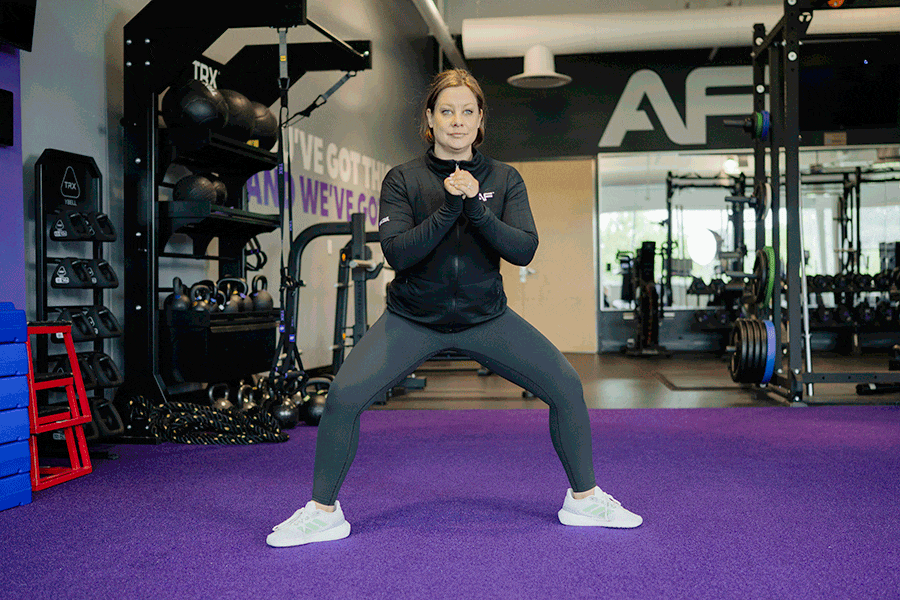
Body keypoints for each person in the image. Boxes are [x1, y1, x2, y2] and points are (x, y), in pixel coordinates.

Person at [267, 69, 642, 548]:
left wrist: (477, 208)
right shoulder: (403, 178)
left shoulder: (505, 178)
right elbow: (398, 254)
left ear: (481, 119)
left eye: (468, 111)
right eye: (447, 111)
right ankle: (323, 512)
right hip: (412, 320)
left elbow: (523, 249)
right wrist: (448, 207)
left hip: (486, 319)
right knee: (342, 399)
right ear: (430, 118)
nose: (457, 121)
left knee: (566, 385)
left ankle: (585, 500)